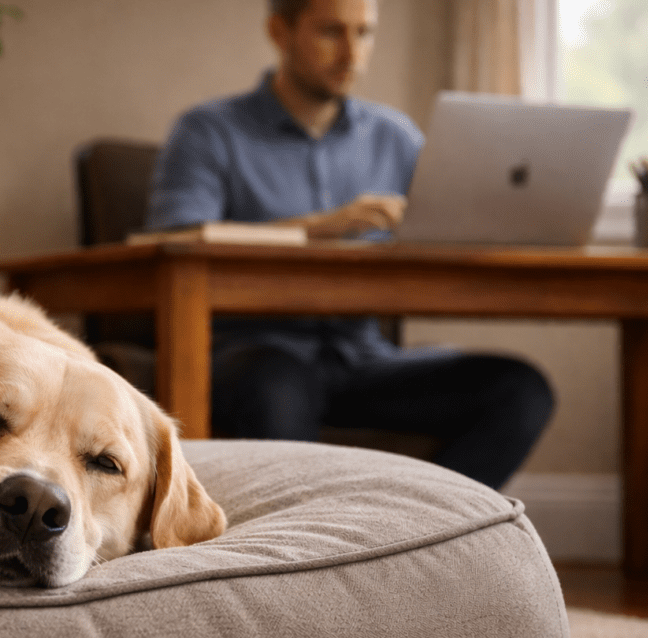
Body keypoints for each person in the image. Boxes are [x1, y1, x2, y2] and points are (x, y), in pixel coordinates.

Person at [145, 0, 554, 490]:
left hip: (363, 358)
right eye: (331, 33)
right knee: (279, 385)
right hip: (254, 356)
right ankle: (311, 554)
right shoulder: (209, 131)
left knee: (520, 391)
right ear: (280, 31)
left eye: (364, 33)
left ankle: (410, 535)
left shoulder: (396, 137)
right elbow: (175, 239)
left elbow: (451, 229)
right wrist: (319, 227)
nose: (352, 53)